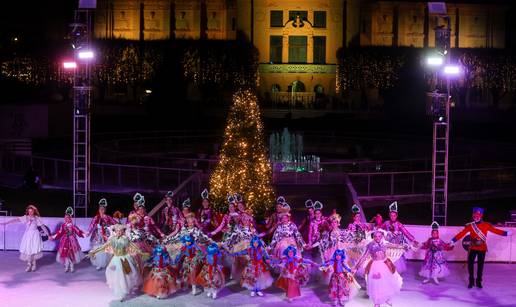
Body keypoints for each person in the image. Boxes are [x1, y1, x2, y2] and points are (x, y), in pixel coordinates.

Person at [451, 207, 511, 288]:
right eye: (474, 216)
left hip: (482, 248)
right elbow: (461, 233)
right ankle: (471, 281)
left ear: (481, 216)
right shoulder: (470, 226)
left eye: (478, 216)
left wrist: (505, 233)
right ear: (473, 216)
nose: (476, 217)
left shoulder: (486, 225)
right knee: (470, 265)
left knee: (480, 266)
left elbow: (496, 231)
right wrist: (453, 240)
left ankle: (479, 281)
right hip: (472, 248)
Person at [88, 223, 147, 302]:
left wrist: (141, 252)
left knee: (127, 275)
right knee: (118, 276)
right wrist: (94, 251)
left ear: (123, 231)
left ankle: (126, 288)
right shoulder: (112, 239)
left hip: (125, 258)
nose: (119, 232)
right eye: (117, 231)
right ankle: (122, 293)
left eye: (121, 231)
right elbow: (104, 246)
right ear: (115, 231)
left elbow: (133, 246)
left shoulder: (126, 239)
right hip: (116, 260)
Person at [354, 229, 405, 307]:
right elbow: (364, 257)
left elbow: (396, 246)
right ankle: (377, 302)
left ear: (382, 236)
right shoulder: (370, 245)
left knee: (386, 282)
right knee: (376, 284)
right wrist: (356, 267)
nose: (377, 238)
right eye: (375, 236)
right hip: (376, 266)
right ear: (373, 237)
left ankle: (387, 298)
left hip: (385, 265)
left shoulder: (385, 243)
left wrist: (406, 246)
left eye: (379, 236)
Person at [1, 203, 50, 272]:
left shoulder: (37, 218)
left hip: (35, 235)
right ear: (28, 212)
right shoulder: (26, 217)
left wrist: (48, 235)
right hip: (28, 235)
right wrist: (6, 223)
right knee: (28, 250)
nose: (30, 213)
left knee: (34, 250)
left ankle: (34, 264)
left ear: (34, 211)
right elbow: (16, 220)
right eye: (29, 211)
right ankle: (29, 264)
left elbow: (42, 227)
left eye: (31, 211)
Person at [382, 202, 418, 274]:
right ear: (389, 215)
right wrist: (385, 233)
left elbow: (406, 233)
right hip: (388, 244)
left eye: (394, 216)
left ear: (396, 216)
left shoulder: (399, 224)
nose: (393, 217)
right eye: (391, 216)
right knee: (387, 258)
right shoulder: (386, 223)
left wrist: (413, 240)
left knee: (396, 259)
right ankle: (387, 272)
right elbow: (380, 230)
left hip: (396, 245)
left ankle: (395, 273)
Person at [51, 207, 85, 273]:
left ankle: (71, 266)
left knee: (71, 254)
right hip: (64, 241)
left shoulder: (72, 226)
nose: (66, 219)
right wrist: (53, 237)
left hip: (72, 241)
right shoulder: (63, 225)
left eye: (67, 218)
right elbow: (59, 233)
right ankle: (67, 266)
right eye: (65, 217)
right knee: (66, 254)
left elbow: (78, 231)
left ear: (70, 218)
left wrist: (84, 234)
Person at [86, 198, 117, 270]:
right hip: (97, 235)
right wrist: (88, 232)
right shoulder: (96, 217)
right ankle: (99, 263)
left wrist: (112, 227)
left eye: (103, 209)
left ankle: (106, 262)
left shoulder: (108, 217)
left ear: (105, 210)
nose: (102, 210)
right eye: (100, 209)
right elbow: (91, 225)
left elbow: (115, 223)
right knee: (98, 248)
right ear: (99, 209)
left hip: (106, 235)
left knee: (106, 248)